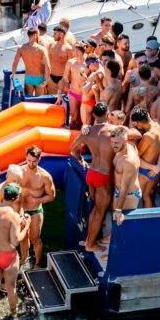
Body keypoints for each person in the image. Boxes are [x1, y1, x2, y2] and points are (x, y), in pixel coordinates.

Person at [70, 102, 115, 252]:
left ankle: (90, 239)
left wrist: (80, 159)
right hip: (104, 176)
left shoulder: (87, 132)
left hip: (92, 173)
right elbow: (136, 134)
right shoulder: (114, 130)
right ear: (107, 114)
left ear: (94, 115)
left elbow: (73, 148)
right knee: (99, 211)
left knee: (95, 209)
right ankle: (90, 244)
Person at [0, 183, 31, 316]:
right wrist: (26, 226)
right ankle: (13, 315)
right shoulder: (13, 216)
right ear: (17, 198)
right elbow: (15, 241)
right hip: (8, 256)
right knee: (11, 288)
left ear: (3, 195)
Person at [21, 145, 56, 266]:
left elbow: (52, 196)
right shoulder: (19, 172)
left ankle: (37, 263)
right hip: (21, 211)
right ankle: (24, 259)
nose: (31, 163)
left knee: (35, 239)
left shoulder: (44, 176)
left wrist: (37, 200)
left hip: (35, 211)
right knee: (22, 238)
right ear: (26, 157)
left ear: (39, 159)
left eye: (34, 161)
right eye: (29, 160)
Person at [130, 107, 160, 208]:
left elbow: (136, 157)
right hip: (154, 170)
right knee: (146, 196)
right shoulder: (158, 124)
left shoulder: (148, 136)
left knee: (132, 198)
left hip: (145, 171)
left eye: (136, 125)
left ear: (139, 123)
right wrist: (158, 167)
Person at [110, 126, 141, 225]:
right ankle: (111, 237)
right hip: (119, 191)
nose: (113, 146)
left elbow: (125, 188)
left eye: (116, 143)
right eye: (112, 142)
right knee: (115, 220)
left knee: (123, 224)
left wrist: (119, 210)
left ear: (125, 140)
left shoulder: (128, 161)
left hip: (129, 194)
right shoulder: (120, 151)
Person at [11, 27, 50, 96]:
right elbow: (48, 66)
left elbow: (15, 63)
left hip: (28, 77)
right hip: (40, 77)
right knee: (39, 100)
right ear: (35, 35)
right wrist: (46, 80)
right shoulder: (42, 49)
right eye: (38, 34)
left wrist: (13, 75)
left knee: (28, 99)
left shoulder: (21, 48)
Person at [57, 42, 86, 129]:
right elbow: (64, 78)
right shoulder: (70, 62)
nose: (72, 51)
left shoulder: (88, 63)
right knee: (74, 117)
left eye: (73, 50)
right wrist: (59, 93)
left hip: (85, 95)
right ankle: (71, 137)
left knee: (82, 120)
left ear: (79, 52)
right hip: (73, 93)